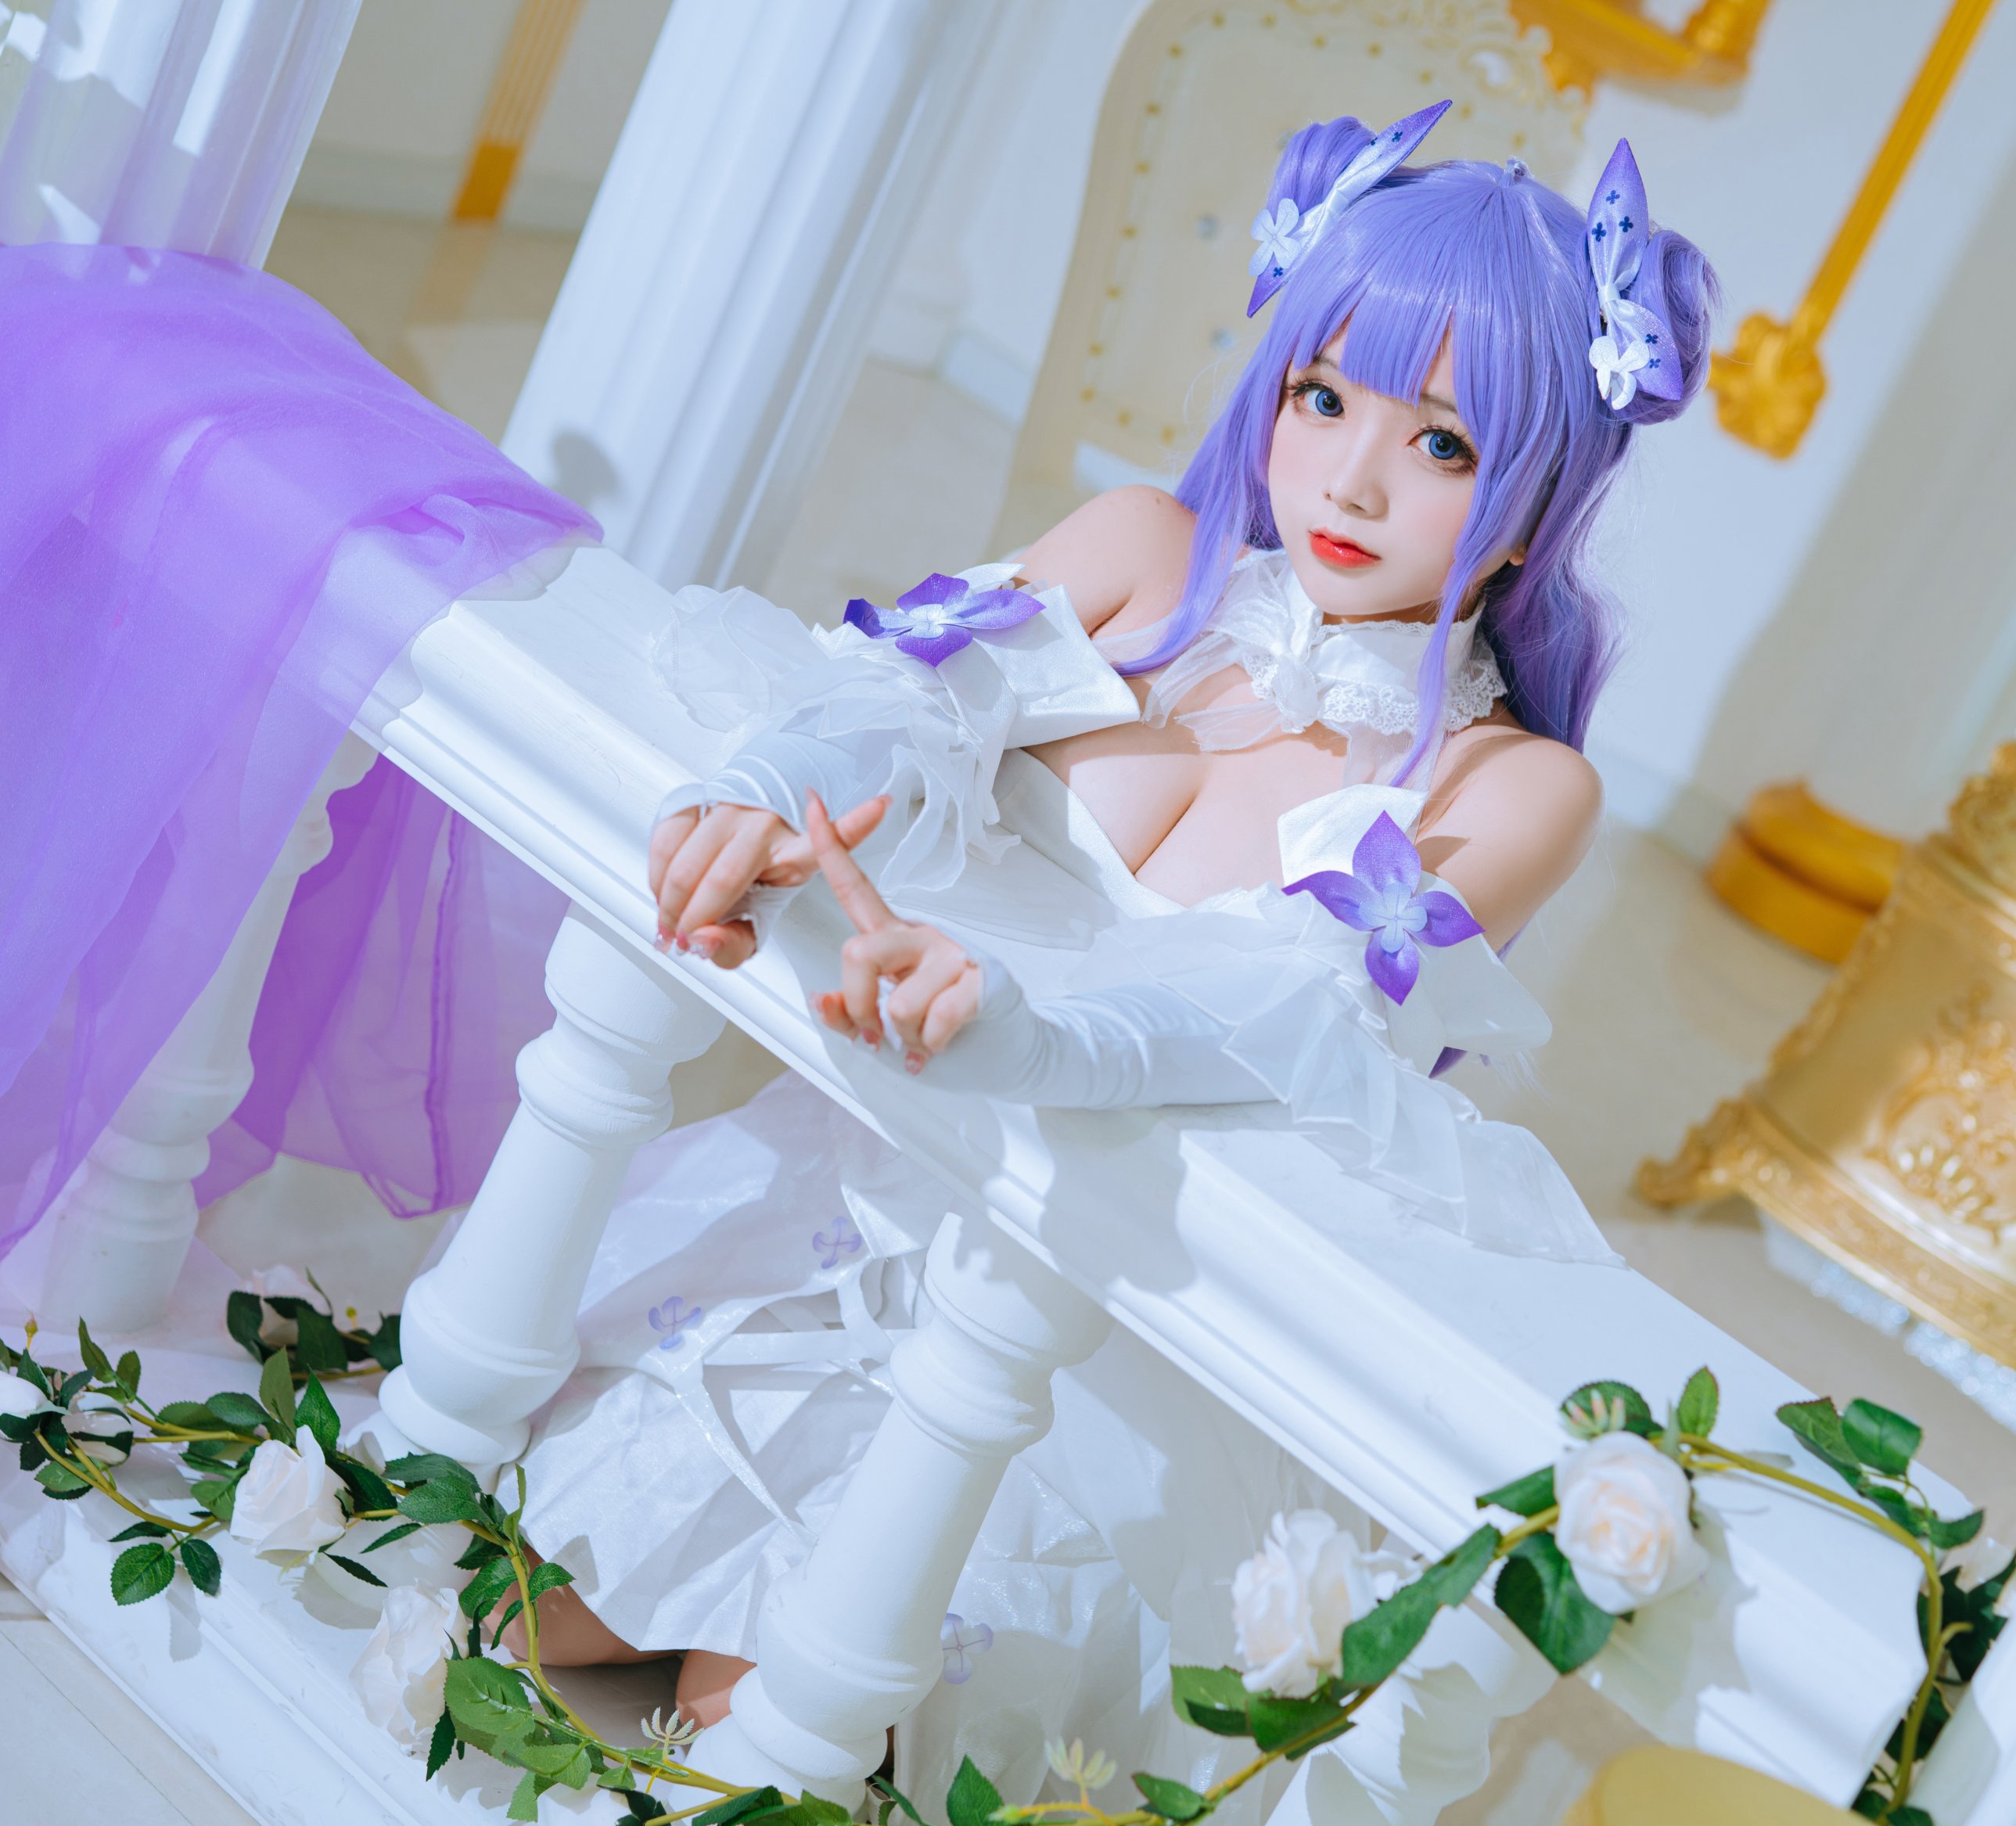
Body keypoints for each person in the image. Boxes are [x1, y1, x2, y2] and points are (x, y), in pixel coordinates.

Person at [498, 111, 1716, 1813]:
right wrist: (772, 785)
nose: (1353, 480)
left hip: (1093, 1329)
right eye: (1324, 397)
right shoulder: (1149, 549)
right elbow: (898, 692)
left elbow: (1288, 1006)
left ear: (1531, 505)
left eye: (1442, 442)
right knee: (513, 1606)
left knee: (751, 1732)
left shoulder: (1511, 787)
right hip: (853, 1201)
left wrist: (1033, 1033)